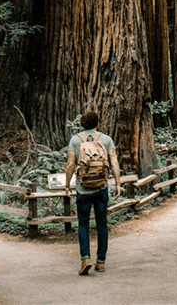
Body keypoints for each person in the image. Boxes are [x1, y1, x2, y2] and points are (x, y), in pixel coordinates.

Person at [64, 110, 122, 275]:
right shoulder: (106, 139)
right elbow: (114, 161)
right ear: (97, 123)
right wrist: (117, 183)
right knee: (102, 224)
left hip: (83, 190)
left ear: (82, 123)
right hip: (101, 189)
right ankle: (101, 262)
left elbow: (70, 164)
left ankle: (85, 258)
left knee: (83, 224)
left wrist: (67, 185)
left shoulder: (75, 140)